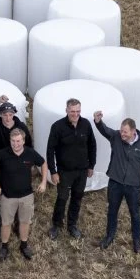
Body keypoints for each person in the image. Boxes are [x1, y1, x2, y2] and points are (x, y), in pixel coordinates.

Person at [94, 112, 140, 254]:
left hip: (133, 187)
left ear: (133, 131)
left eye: (125, 132)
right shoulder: (115, 137)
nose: (122, 134)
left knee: (135, 214)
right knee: (112, 211)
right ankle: (109, 237)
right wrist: (97, 121)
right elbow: (104, 130)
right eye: (121, 131)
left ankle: (137, 241)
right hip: (115, 182)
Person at [0, 128, 48, 261]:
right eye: (13, 141)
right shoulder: (2, 154)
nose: (16, 144)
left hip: (27, 196)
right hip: (7, 197)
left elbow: (43, 163)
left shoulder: (30, 153)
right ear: (10, 140)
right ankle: (4, 247)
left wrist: (44, 182)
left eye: (18, 141)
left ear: (23, 140)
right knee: (6, 223)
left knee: (25, 221)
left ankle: (24, 245)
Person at [44, 98, 97, 240]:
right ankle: (56, 224)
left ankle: (72, 225)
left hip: (81, 171)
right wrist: (53, 171)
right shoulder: (57, 127)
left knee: (77, 198)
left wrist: (91, 165)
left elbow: (92, 145)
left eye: (78, 111)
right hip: (64, 171)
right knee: (62, 198)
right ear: (66, 110)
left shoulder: (86, 124)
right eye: (72, 111)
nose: (75, 114)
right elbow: (50, 150)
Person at [0, 95, 31, 240]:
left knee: (19, 197)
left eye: (10, 114)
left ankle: (16, 224)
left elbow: (29, 145)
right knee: (1, 198)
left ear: (14, 114)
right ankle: (0, 225)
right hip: (1, 168)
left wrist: (28, 165)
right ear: (0, 114)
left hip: (18, 168)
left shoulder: (21, 127)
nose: (8, 117)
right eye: (4, 114)